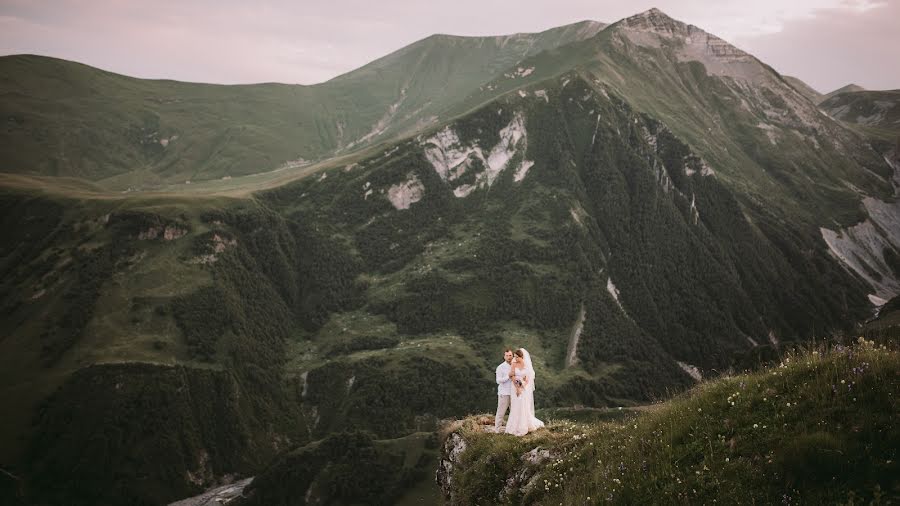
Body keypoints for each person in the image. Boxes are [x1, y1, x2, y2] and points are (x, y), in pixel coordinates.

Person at [505, 348, 545, 436]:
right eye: (514, 357)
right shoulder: (514, 364)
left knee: (524, 405)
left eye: (517, 357)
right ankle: (515, 426)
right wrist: (517, 387)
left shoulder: (527, 366)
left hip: (524, 389)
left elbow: (528, 378)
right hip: (515, 388)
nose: (515, 359)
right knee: (516, 405)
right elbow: (511, 376)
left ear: (522, 357)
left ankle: (525, 425)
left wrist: (522, 385)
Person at [494, 348, 514, 430]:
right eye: (507, 355)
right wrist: (508, 376)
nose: (509, 357)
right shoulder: (500, 367)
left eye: (510, 355)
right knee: (501, 412)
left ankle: (512, 428)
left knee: (514, 412)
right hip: (504, 393)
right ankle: (497, 429)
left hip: (514, 393)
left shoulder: (515, 365)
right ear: (504, 357)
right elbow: (498, 381)